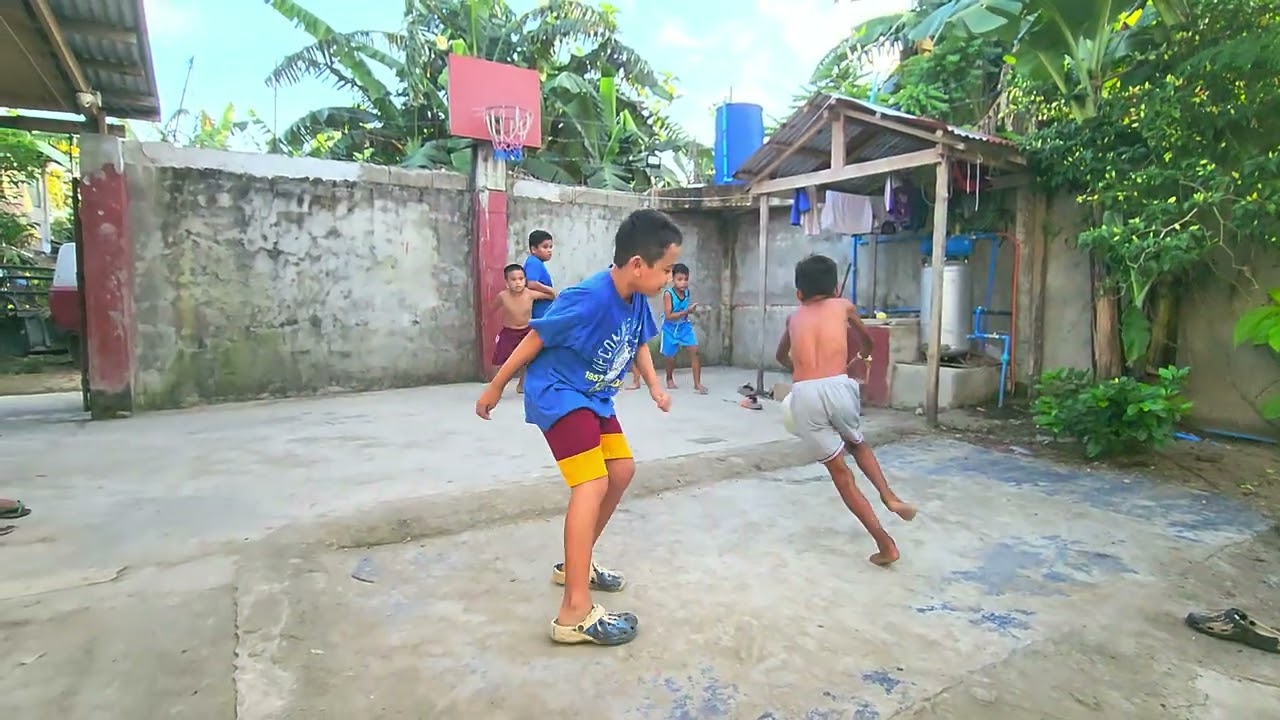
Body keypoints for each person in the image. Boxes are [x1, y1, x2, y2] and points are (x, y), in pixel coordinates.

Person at [476, 208, 683, 647]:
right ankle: (573, 612)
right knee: (592, 482)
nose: (669, 278)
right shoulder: (588, 296)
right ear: (638, 265)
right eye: (666, 269)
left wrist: (654, 387)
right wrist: (495, 386)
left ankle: (577, 564)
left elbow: (639, 344)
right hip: (560, 392)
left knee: (621, 471)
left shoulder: (637, 299)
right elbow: (536, 337)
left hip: (594, 395)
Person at [774, 254, 916, 567]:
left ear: (799, 293)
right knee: (857, 443)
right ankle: (889, 496)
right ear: (836, 288)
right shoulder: (844, 306)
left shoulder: (793, 318)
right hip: (839, 386)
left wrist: (800, 367)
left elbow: (780, 356)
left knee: (841, 474)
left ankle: (886, 544)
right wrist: (860, 358)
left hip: (805, 393)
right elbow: (867, 342)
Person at [491, 264, 555, 392]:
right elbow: (492, 309)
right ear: (506, 282)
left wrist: (539, 286)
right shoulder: (503, 296)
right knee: (500, 361)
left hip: (526, 331)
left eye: (521, 279)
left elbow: (552, 296)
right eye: (513, 279)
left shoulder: (529, 294)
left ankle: (521, 384)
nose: (518, 282)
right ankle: (496, 386)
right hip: (509, 333)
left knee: (526, 359)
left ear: (525, 280)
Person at [658, 263, 707, 394]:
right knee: (670, 357)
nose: (683, 283)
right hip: (670, 329)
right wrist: (687, 311)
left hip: (684, 327)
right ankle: (669, 378)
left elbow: (685, 310)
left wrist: (688, 312)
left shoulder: (687, 292)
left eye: (686, 279)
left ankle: (697, 384)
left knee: (695, 351)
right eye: (679, 279)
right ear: (673, 279)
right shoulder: (668, 294)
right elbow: (669, 316)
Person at [522, 229, 556, 320]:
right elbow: (531, 283)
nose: (549, 251)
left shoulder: (537, 262)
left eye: (550, 247)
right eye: (545, 247)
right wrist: (551, 291)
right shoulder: (534, 262)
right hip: (539, 312)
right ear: (533, 249)